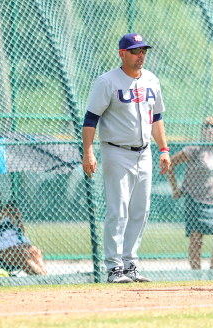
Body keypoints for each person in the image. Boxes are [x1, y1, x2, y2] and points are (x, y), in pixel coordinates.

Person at [82, 33, 170, 283]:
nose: (140, 55)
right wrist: (88, 151)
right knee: (117, 209)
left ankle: (131, 264)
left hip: (145, 153)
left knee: (140, 210)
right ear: (122, 54)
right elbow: (91, 119)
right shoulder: (107, 81)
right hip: (116, 151)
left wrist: (164, 149)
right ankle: (114, 267)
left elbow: (157, 117)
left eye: (143, 50)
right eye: (135, 51)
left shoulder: (152, 80)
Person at [166, 117, 213, 270]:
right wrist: (175, 189)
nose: (210, 129)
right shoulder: (194, 148)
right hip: (195, 199)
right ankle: (197, 277)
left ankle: (212, 274)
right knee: (196, 239)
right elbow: (170, 164)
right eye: (206, 126)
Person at [0, 199, 47, 275]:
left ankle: (45, 276)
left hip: (18, 243)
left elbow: (21, 232)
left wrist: (18, 217)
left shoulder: (7, 217)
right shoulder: (3, 214)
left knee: (35, 251)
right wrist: (3, 214)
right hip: (3, 248)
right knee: (23, 254)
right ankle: (42, 279)